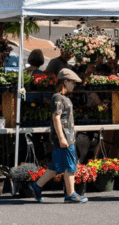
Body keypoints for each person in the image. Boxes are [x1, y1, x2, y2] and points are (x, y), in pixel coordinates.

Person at [28, 69, 88, 204]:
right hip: (65, 138)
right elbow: (56, 117)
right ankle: (71, 194)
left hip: (66, 137)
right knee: (71, 165)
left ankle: (36, 186)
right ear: (65, 82)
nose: (74, 85)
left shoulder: (63, 98)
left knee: (56, 167)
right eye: (72, 82)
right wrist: (62, 138)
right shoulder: (58, 97)